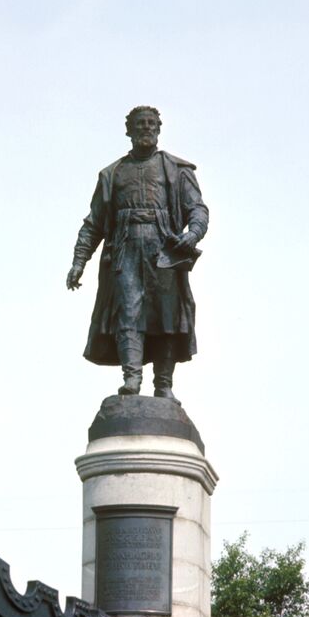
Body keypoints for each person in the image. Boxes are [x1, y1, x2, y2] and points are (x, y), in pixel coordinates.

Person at [67, 107, 209, 400]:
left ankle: (163, 385)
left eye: (151, 123)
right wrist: (79, 261)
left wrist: (192, 234)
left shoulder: (176, 169)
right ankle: (131, 378)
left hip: (164, 250)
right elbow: (94, 223)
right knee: (128, 313)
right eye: (140, 124)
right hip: (126, 251)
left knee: (168, 316)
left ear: (158, 128)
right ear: (128, 130)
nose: (146, 127)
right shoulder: (112, 174)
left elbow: (197, 209)